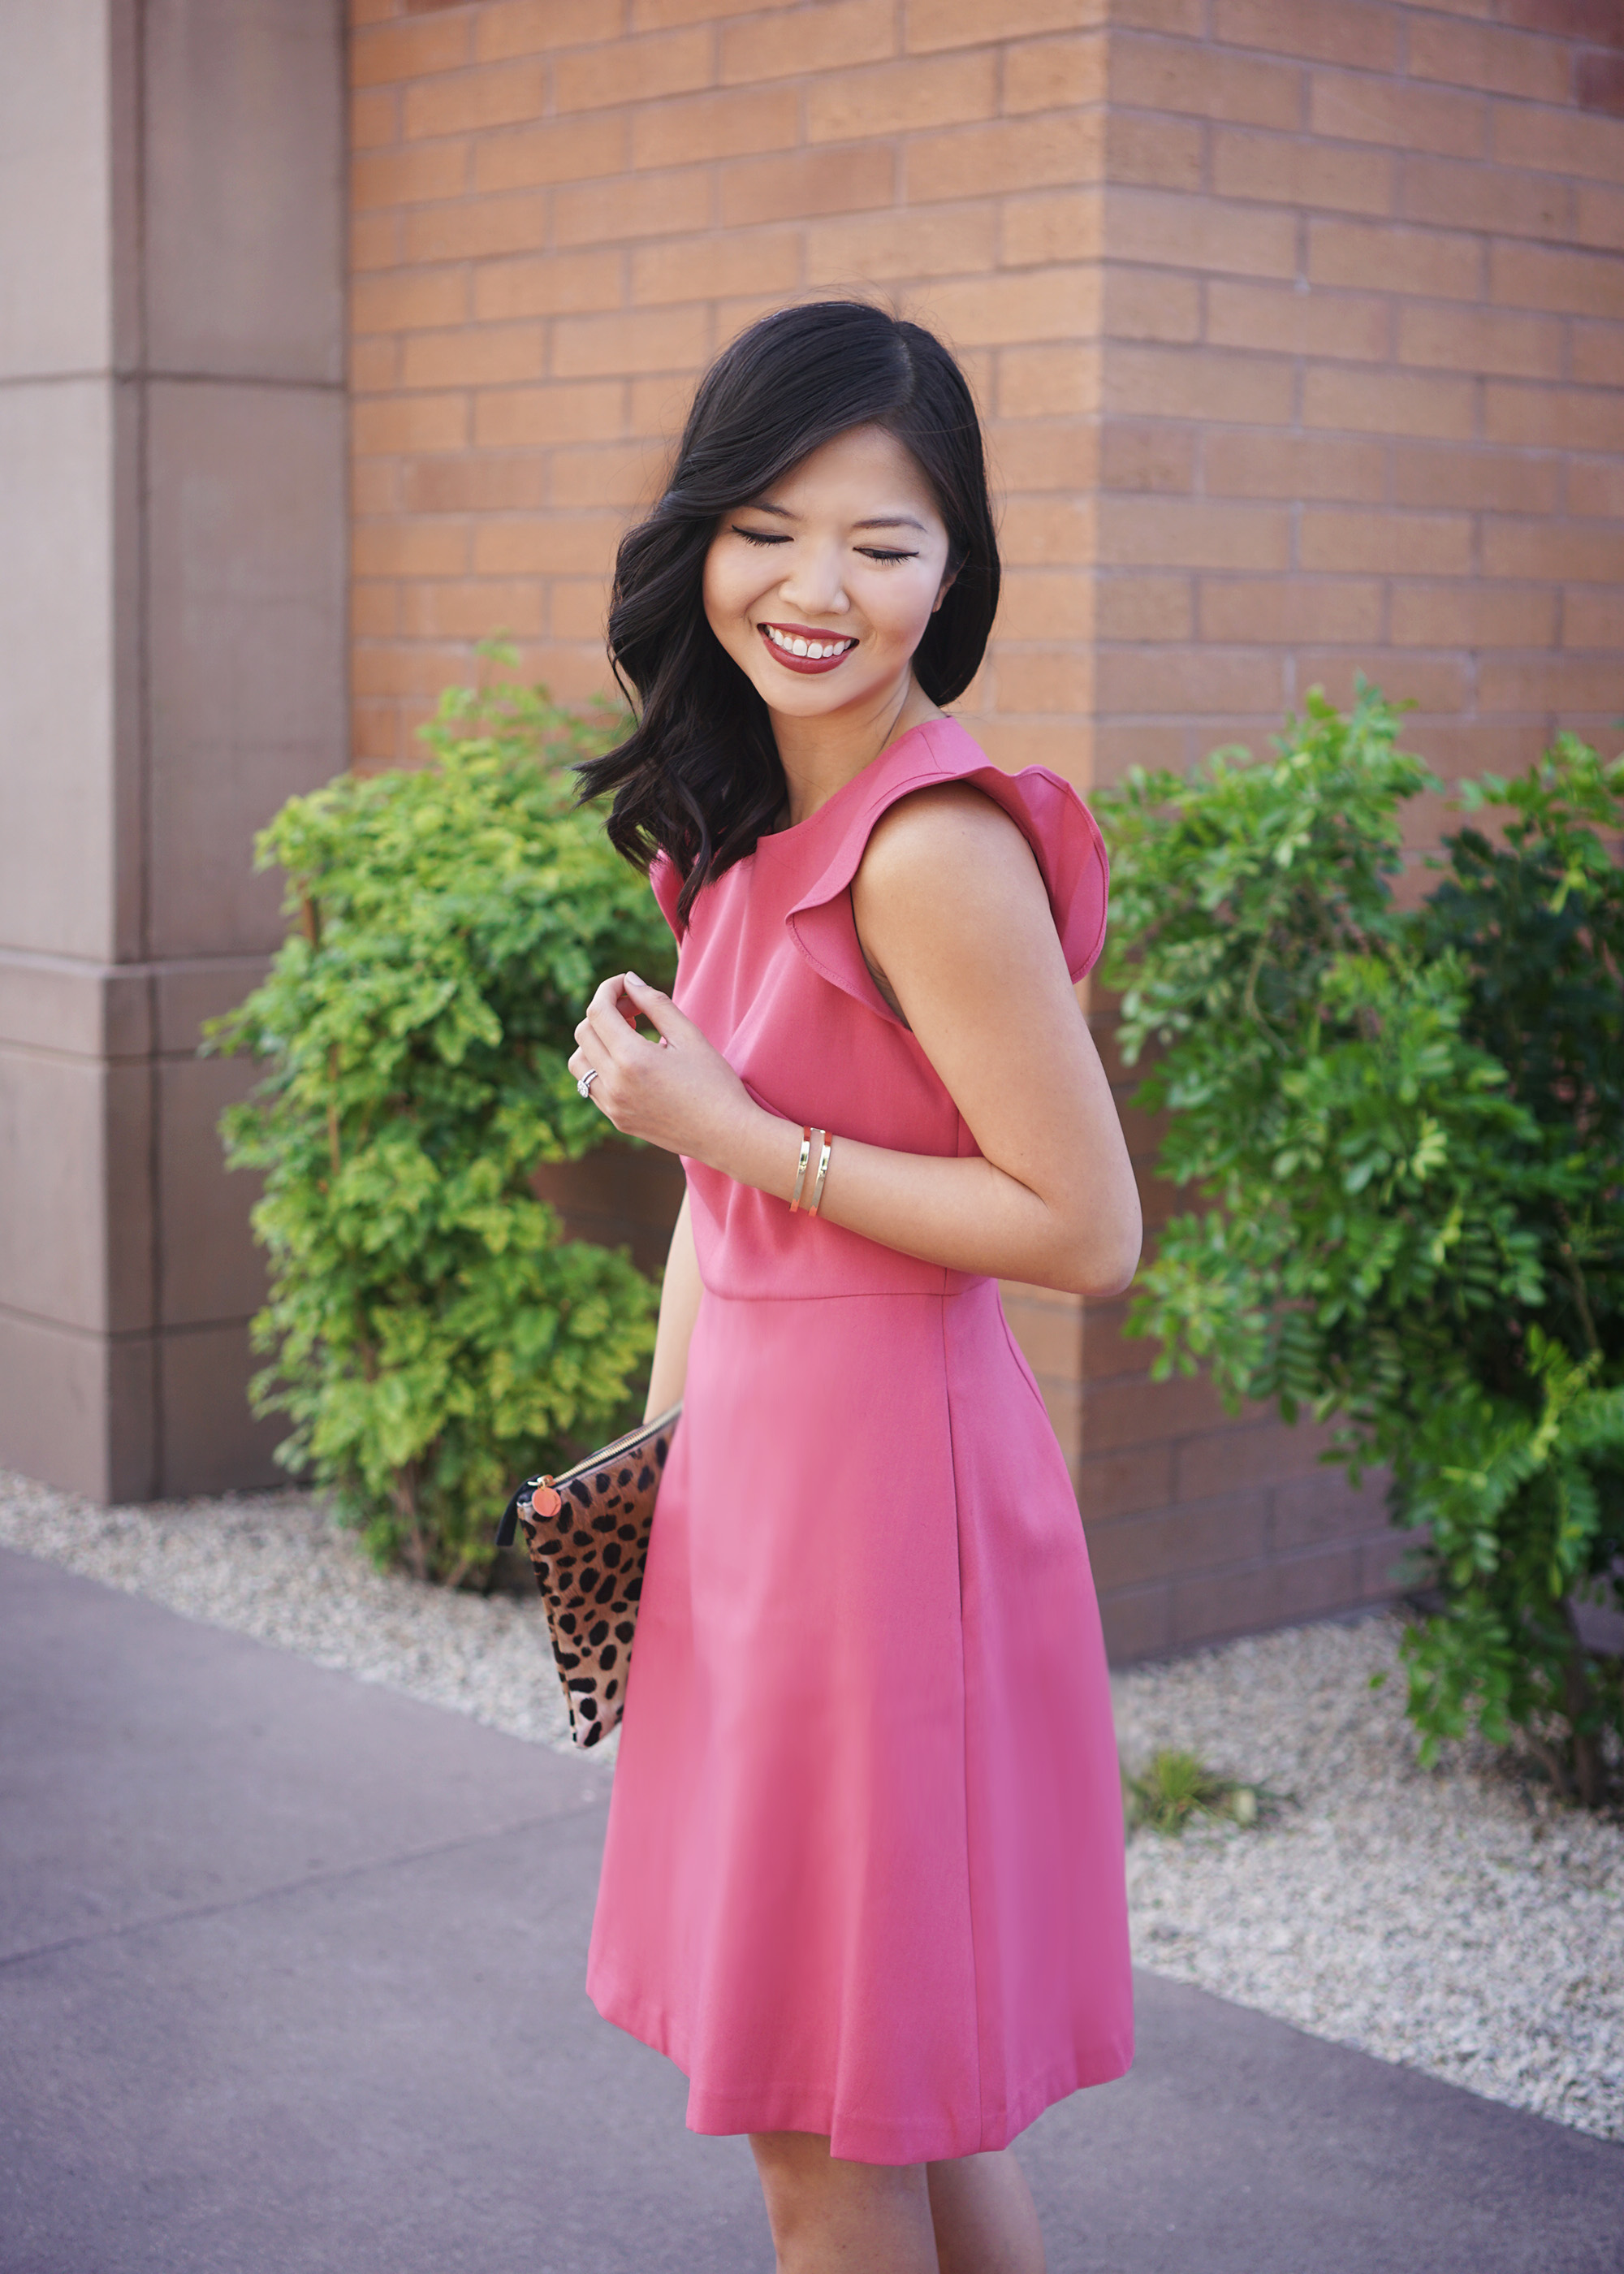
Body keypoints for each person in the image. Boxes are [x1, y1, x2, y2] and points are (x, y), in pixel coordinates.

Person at [567, 300, 1142, 2274]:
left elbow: (1085, 1227)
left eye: (881, 542)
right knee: (893, 2108)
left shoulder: (928, 845)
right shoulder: (747, 825)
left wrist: (739, 1131)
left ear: (953, 569)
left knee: (826, 2138)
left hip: (881, 1526)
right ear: (700, 538)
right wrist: (649, 1485)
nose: (815, 589)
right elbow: (712, 1215)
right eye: (767, 528)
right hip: (757, 1507)